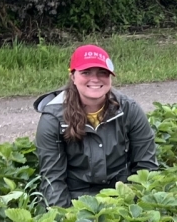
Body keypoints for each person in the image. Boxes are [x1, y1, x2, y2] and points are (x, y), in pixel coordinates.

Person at [34, 44, 159, 208]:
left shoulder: (128, 109)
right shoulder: (53, 119)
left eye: (102, 73)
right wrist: (63, 219)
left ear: (110, 77)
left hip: (122, 196)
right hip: (77, 200)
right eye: (86, 72)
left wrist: (136, 206)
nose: (95, 79)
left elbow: (147, 167)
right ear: (73, 76)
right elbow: (53, 179)